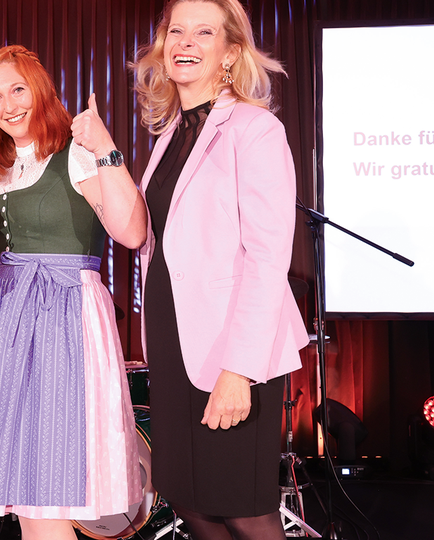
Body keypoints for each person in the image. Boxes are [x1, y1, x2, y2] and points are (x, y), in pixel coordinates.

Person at [133, 1, 309, 538]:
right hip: (174, 341)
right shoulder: (170, 135)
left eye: (203, 32)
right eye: (176, 31)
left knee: (241, 507)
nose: (184, 43)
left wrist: (240, 368)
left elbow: (268, 257)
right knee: (191, 503)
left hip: (232, 348)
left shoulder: (254, 129)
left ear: (231, 50)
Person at [0, 44, 147, 540]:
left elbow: (132, 233)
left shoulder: (80, 154)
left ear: (40, 90)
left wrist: (106, 146)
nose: (8, 106)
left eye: (17, 89)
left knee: (50, 487)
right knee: (27, 494)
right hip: (4, 323)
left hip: (62, 317)